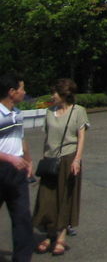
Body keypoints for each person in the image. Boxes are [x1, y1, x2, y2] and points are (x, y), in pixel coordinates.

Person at [32, 78, 90, 257]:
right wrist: (44, 158)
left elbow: (81, 137)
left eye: (55, 93)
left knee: (65, 197)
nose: (52, 96)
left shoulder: (78, 111)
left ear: (65, 95)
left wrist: (77, 160)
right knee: (47, 199)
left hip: (69, 158)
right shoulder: (49, 112)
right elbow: (47, 138)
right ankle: (50, 234)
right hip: (50, 159)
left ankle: (61, 236)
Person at [0, 72, 33, 262]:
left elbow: (21, 138)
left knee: (22, 218)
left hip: (17, 172)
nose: (24, 92)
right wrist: (9, 159)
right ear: (12, 92)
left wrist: (28, 160)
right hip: (2, 168)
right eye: (21, 88)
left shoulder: (18, 114)